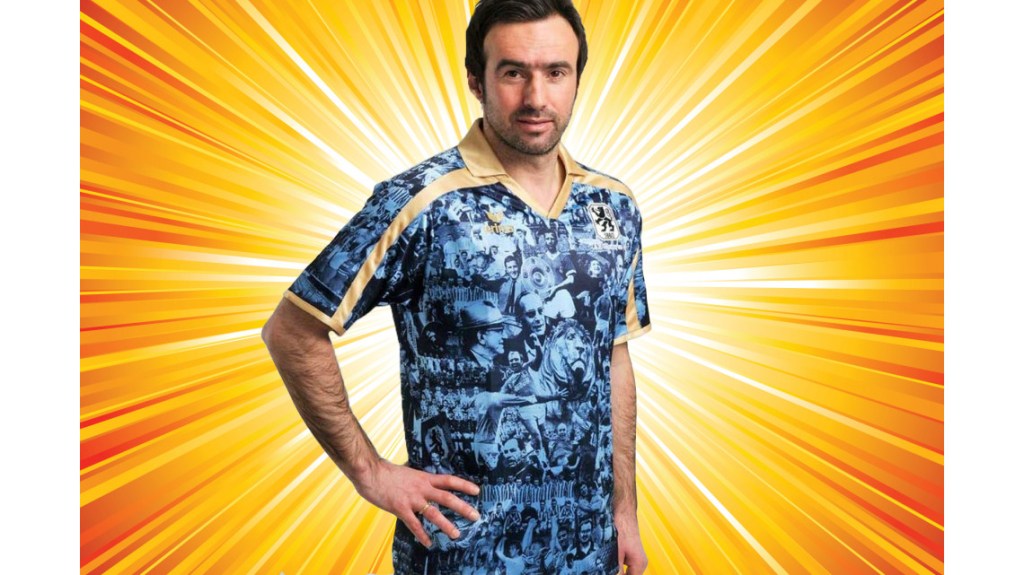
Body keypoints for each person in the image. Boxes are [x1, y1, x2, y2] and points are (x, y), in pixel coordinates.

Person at [261, 1, 651, 573]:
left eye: (556, 72)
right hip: (460, 552)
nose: (536, 97)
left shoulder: (613, 207)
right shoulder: (421, 201)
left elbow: (612, 357)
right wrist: (371, 473)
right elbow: (293, 330)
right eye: (513, 72)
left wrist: (625, 511)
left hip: (587, 552)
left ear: (576, 79)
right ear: (476, 79)